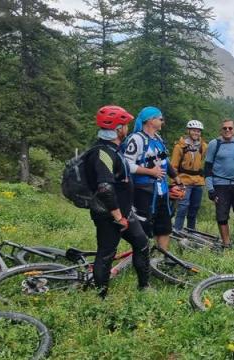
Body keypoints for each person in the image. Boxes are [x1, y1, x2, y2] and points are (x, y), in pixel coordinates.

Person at [85, 105, 150, 297]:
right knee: (106, 253)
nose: (127, 128)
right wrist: (118, 216)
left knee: (142, 243)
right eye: (125, 125)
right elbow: (105, 187)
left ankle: (144, 287)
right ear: (118, 128)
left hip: (123, 211)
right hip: (110, 214)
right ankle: (101, 296)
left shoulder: (113, 149)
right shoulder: (102, 153)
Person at [122, 106, 180, 251]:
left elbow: (164, 160)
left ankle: (161, 259)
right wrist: (150, 172)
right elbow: (126, 165)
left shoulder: (158, 139)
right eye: (160, 119)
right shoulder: (136, 139)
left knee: (164, 227)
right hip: (143, 192)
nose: (163, 121)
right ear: (150, 120)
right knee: (143, 228)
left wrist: (175, 178)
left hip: (162, 191)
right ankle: (142, 260)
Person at [204, 119, 234, 247]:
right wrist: (210, 189)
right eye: (225, 128)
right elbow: (207, 167)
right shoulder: (215, 144)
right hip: (220, 184)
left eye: (230, 128)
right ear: (221, 130)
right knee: (222, 215)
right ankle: (226, 244)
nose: (227, 130)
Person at [170, 120, 207, 231]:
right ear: (188, 131)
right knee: (183, 207)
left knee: (194, 208)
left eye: (198, 131)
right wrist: (174, 184)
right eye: (194, 130)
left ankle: (191, 231)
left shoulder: (203, 146)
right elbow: (173, 166)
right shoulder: (180, 146)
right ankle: (178, 230)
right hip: (183, 181)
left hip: (198, 181)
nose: (196, 133)